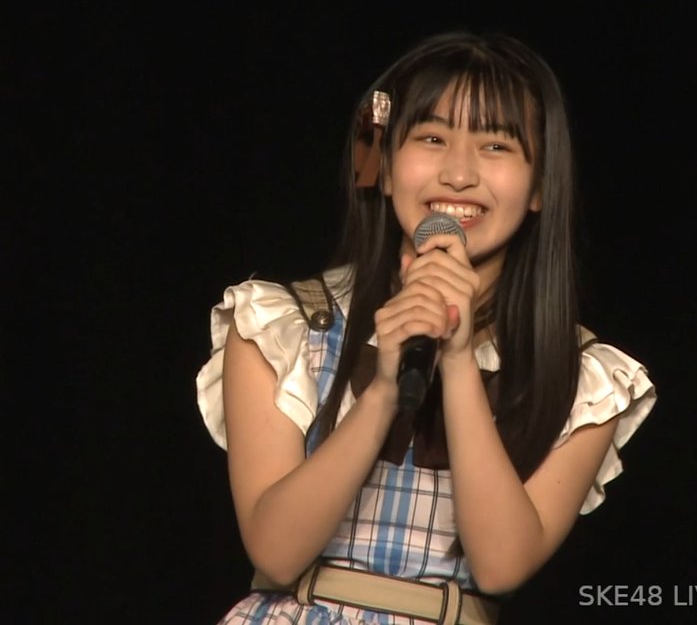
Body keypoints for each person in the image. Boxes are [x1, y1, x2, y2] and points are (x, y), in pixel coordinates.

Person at [195, 31, 657, 624]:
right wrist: (384, 391)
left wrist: (458, 359)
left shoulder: (583, 376)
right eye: (432, 138)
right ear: (385, 168)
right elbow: (276, 551)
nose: (458, 174)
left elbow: (502, 566)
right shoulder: (280, 324)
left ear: (540, 185)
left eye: (496, 145)